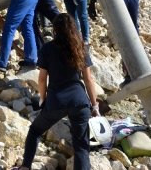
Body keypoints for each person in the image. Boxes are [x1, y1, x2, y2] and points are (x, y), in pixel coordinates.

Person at [16, 13, 100, 170]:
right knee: (82, 146)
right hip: (80, 101)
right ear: (73, 29)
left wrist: (42, 99)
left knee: (34, 131)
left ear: (55, 29)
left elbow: (42, 79)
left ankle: (25, 166)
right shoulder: (81, 47)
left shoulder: (47, 49)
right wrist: (95, 105)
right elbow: (89, 79)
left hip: (57, 100)